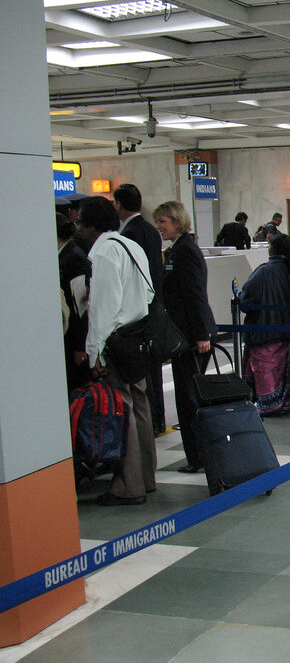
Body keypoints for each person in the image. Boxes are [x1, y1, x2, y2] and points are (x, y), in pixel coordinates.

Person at [77, 196, 156, 505]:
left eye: (81, 224)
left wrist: (94, 351)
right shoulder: (130, 246)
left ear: (92, 226)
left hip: (116, 340)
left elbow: (103, 308)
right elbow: (147, 292)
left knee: (120, 409)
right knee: (140, 406)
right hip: (138, 335)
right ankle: (147, 477)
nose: (79, 230)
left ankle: (129, 485)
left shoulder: (105, 253)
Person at [153, 201, 217, 472]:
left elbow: (194, 295)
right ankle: (197, 455)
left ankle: (199, 456)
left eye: (163, 222)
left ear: (177, 222)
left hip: (192, 338)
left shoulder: (185, 252)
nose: (159, 227)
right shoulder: (178, 250)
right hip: (187, 336)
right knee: (187, 397)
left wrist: (202, 334)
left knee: (189, 399)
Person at [113, 182, 166, 437]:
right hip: (153, 304)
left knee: (144, 372)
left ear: (119, 205)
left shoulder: (130, 234)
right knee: (153, 368)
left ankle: (152, 420)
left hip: (139, 311)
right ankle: (157, 419)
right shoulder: (149, 230)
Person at [240, 233, 290, 415]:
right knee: (282, 373)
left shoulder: (262, 272)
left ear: (271, 250)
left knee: (265, 373)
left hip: (263, 334)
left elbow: (245, 301)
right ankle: (282, 403)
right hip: (287, 336)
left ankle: (268, 405)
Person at [57, 211, 91, 394]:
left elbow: (81, 306)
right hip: (72, 336)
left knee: (79, 389)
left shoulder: (72, 259)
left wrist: (80, 345)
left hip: (76, 339)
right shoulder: (68, 255)